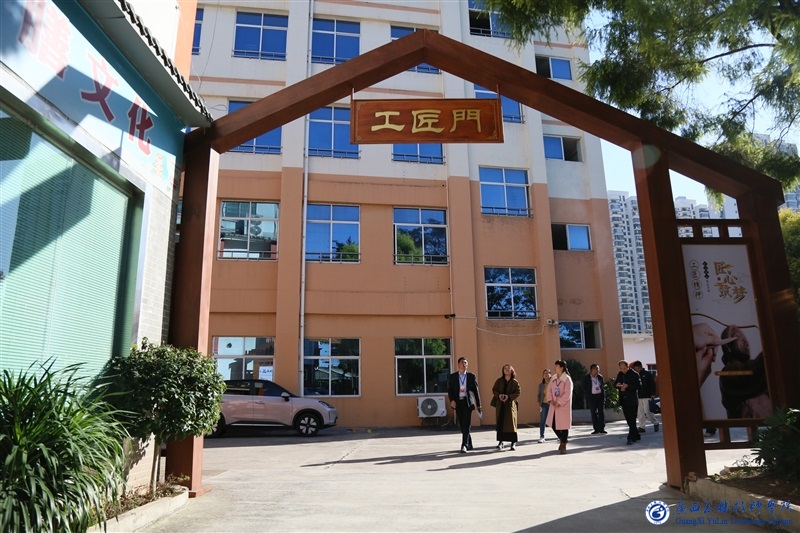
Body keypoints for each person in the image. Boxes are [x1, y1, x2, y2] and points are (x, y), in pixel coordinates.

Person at [718, 325, 771, 419]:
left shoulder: (753, 369)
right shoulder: (727, 373)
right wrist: (773, 346)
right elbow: (752, 374)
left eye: (745, 337)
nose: (745, 340)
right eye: (738, 336)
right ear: (728, 346)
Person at [447, 357, 482, 453]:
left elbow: (476, 391)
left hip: (467, 403)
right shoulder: (453, 376)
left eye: (465, 363)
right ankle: (469, 443)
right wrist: (452, 400)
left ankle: (464, 445)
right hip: (458, 402)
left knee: (466, 424)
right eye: (462, 362)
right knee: (462, 424)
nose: (464, 364)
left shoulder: (471, 376)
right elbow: (450, 390)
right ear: (458, 365)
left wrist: (478, 404)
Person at [545, 360, 573, 454]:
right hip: (554, 405)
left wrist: (559, 402)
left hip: (563, 406)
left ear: (561, 368)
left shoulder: (567, 379)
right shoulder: (553, 378)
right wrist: (550, 400)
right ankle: (562, 439)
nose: (555, 368)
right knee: (553, 423)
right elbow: (549, 390)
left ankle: (563, 445)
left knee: (564, 426)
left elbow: (568, 393)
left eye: (556, 366)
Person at [491, 364, 521, 450]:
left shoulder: (514, 382)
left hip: (510, 406)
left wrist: (509, 397)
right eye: (505, 368)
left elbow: (518, 392)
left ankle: (513, 443)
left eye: (508, 368)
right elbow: (494, 390)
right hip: (500, 405)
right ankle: (501, 442)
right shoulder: (499, 381)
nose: (507, 370)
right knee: (500, 423)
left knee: (511, 424)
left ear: (512, 370)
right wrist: (499, 395)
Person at [616, 360, 641, 445]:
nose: (623, 370)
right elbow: (615, 383)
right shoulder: (620, 374)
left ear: (628, 367)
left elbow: (639, 385)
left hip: (632, 400)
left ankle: (630, 438)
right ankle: (636, 434)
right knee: (628, 420)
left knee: (632, 419)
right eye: (621, 368)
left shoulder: (634, 374)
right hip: (623, 399)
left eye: (624, 368)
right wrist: (618, 385)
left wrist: (628, 386)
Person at [632, 361, 659, 432]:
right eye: (636, 368)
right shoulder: (634, 375)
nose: (637, 369)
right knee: (640, 413)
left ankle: (655, 422)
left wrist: (652, 394)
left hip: (647, 396)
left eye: (638, 368)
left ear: (641, 367)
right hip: (638, 396)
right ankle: (642, 427)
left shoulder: (647, 374)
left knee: (648, 411)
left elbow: (652, 384)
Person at [581, 363, 606, 434]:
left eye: (598, 369)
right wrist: (588, 393)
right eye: (596, 369)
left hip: (600, 396)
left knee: (601, 412)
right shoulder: (586, 378)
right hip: (591, 397)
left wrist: (603, 396)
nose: (597, 370)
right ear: (592, 370)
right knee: (593, 413)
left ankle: (602, 428)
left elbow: (602, 386)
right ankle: (596, 429)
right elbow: (583, 387)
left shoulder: (600, 377)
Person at [536, 369, 551, 443]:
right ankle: (542, 436)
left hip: (552, 404)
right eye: (544, 373)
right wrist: (539, 403)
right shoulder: (541, 384)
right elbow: (539, 395)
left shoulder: (553, 383)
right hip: (544, 404)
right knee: (543, 420)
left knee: (555, 420)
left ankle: (560, 436)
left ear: (550, 374)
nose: (546, 374)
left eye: (547, 373)